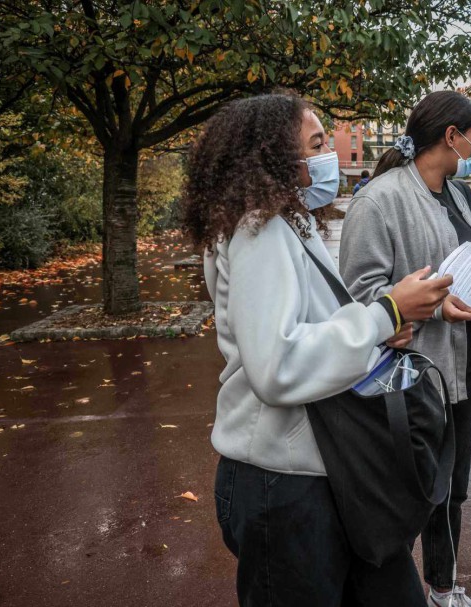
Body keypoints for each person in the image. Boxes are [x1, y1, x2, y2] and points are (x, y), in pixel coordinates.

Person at [180, 90, 451, 607]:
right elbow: (277, 365)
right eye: (317, 143)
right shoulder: (257, 230)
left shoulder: (283, 222)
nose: (329, 155)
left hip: (320, 468)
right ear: (274, 156)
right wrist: (385, 313)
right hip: (279, 483)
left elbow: (304, 323)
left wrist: (378, 328)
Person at [339, 90, 471, 607]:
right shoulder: (379, 200)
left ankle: (441, 588)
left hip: (462, 373)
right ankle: (380, 593)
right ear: (451, 137)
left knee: (450, 494)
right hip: (412, 380)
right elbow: (359, 297)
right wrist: (435, 308)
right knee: (407, 497)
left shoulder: (459, 196)